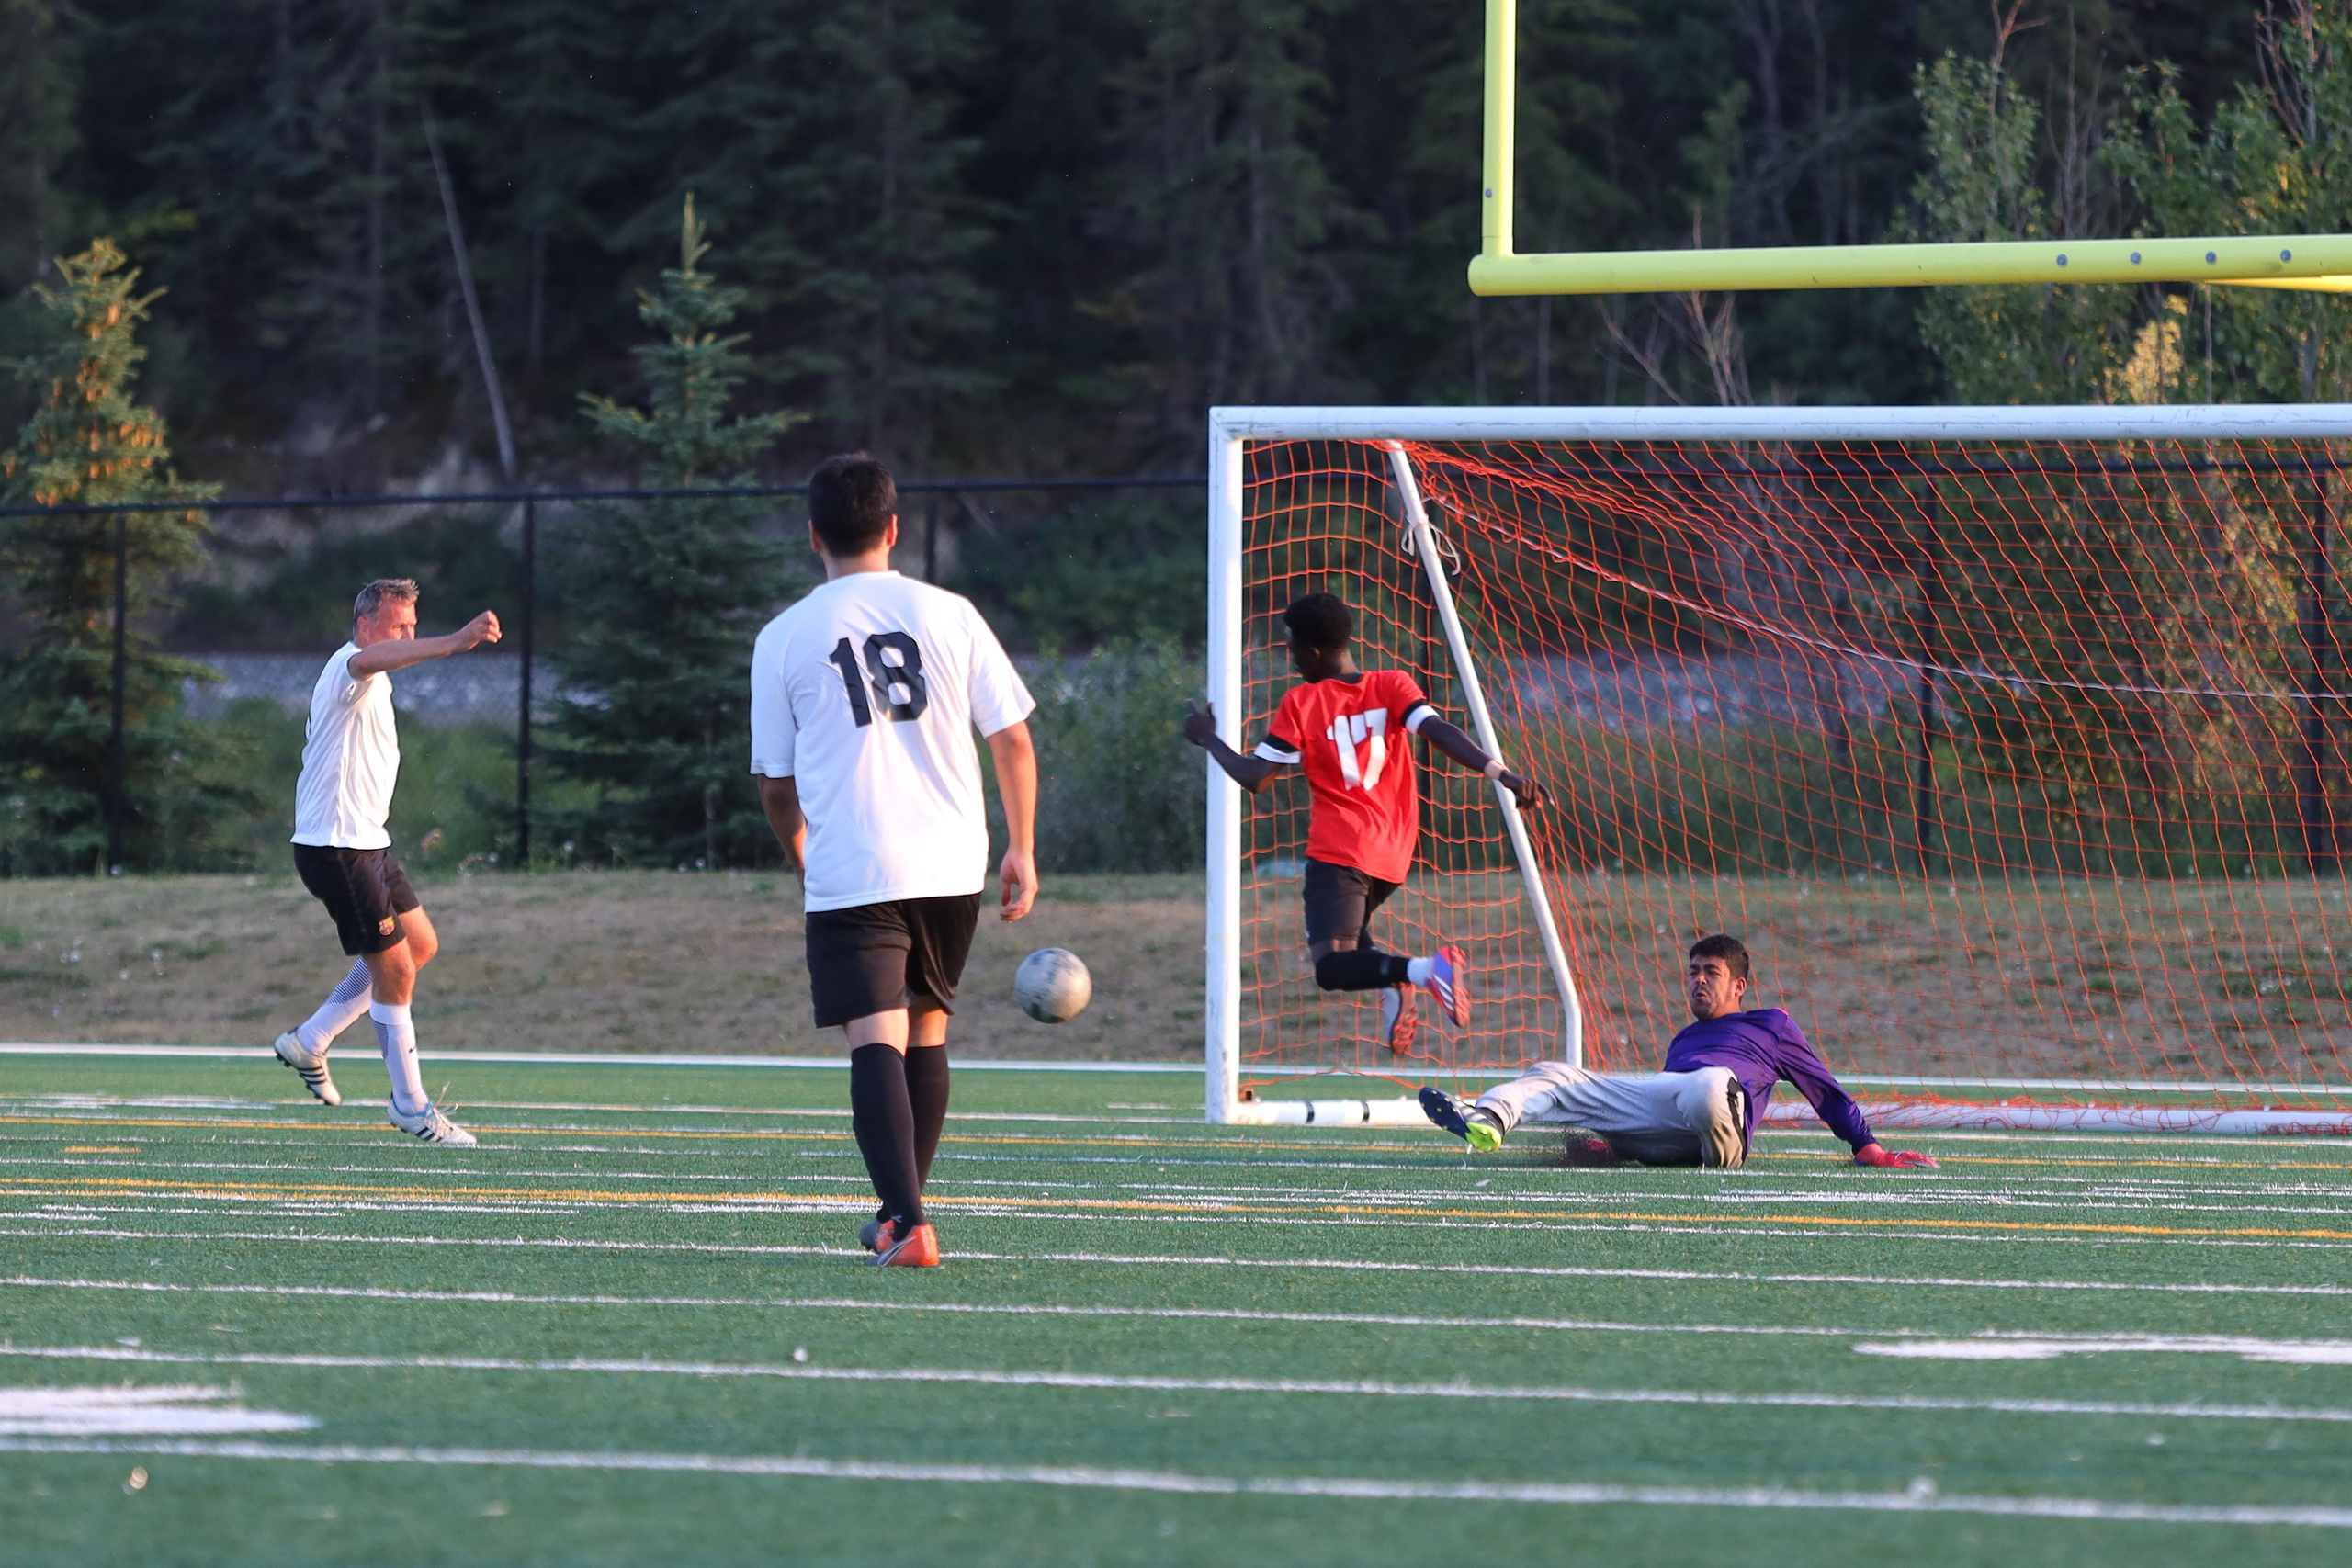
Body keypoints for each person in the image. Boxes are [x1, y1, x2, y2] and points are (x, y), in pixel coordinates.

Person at [751, 453, 1039, 1268]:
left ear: (813, 536)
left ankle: (910, 1223)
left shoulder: (784, 635)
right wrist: (1020, 844)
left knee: (875, 1037)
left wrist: (799, 849)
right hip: (953, 863)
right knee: (928, 1030)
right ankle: (898, 1211)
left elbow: (775, 784)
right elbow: (1012, 737)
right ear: (894, 528)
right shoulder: (950, 612)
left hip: (856, 863)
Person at [1182, 592, 1546, 1053]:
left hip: (1339, 852)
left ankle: (1422, 972)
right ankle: (1393, 987)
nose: (1290, 659)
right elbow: (1441, 733)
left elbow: (1256, 778)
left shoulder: (1303, 702)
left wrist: (1208, 740)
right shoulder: (1392, 684)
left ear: (1312, 653)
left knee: (1331, 969)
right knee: (1352, 946)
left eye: (1291, 649)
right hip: (1392, 858)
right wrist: (1504, 774)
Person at [271, 578, 501, 1145]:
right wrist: (452, 642)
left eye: (414, 625)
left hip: (368, 842)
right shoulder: (352, 665)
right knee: (394, 971)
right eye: (400, 625)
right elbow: (373, 659)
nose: (409, 635)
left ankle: (311, 1038)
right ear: (367, 625)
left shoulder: (372, 676)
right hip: (336, 848)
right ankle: (410, 1105)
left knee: (418, 947)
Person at [1419, 933, 1939, 1170]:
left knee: (1709, 1083)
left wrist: (1867, 1147)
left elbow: (1824, 1093)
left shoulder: (1772, 1024)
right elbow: (1662, 1107)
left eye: (1710, 973)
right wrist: (1620, 1145)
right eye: (1692, 972)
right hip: (1676, 1125)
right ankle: (1486, 1120)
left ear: (1739, 986)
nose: (1697, 982)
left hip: (1719, 1121)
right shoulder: (1682, 1039)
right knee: (1555, 1072)